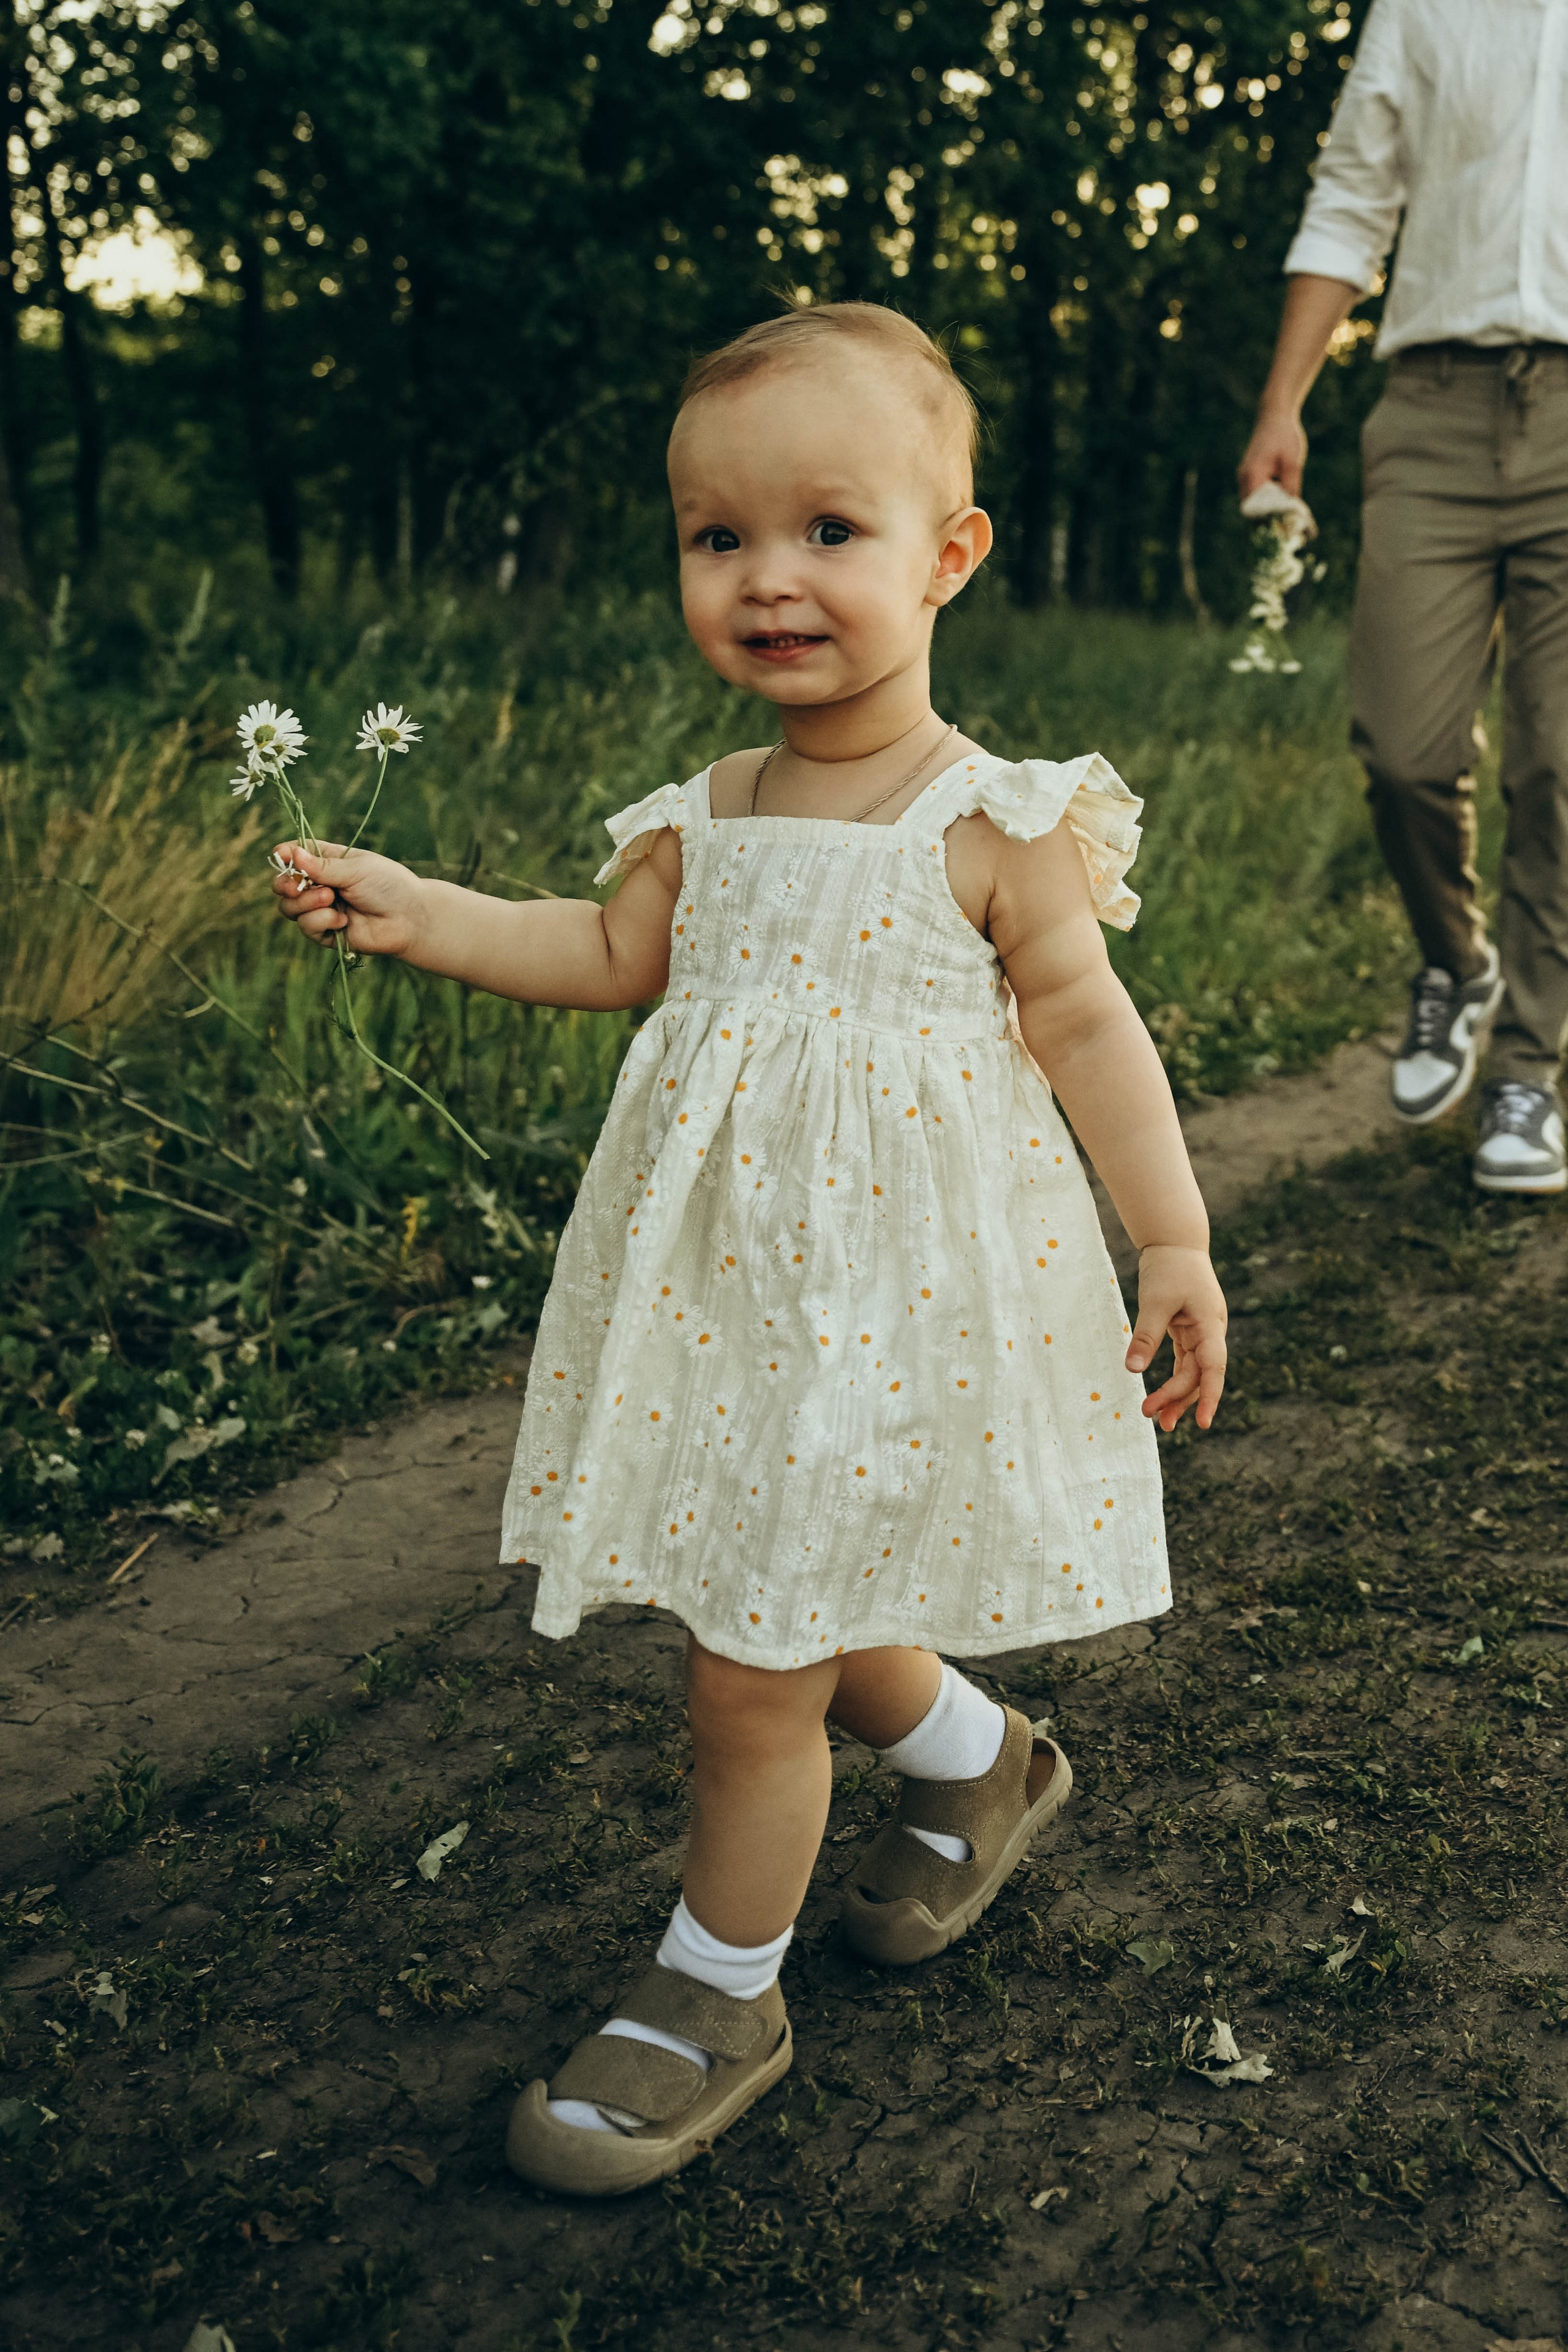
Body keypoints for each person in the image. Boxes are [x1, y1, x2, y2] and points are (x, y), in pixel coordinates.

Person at [272, 303, 1227, 2196]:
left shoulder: (992, 825)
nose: (769, 580)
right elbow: (598, 953)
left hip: (909, 1308)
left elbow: (1092, 1030)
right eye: (721, 539)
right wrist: (426, 910)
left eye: (828, 532)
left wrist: (1174, 1235)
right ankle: (977, 1761)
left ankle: (720, 1989)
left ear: (948, 554)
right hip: (730, 1300)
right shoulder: (706, 819)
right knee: (783, 1583)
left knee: (749, 1664)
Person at [1238, 0, 1568, 1195]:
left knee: (1557, 764)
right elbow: (1349, 199)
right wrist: (1281, 404)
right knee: (1399, 746)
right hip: (1427, 408)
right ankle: (1456, 959)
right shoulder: (1422, 7)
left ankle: (1526, 1071)